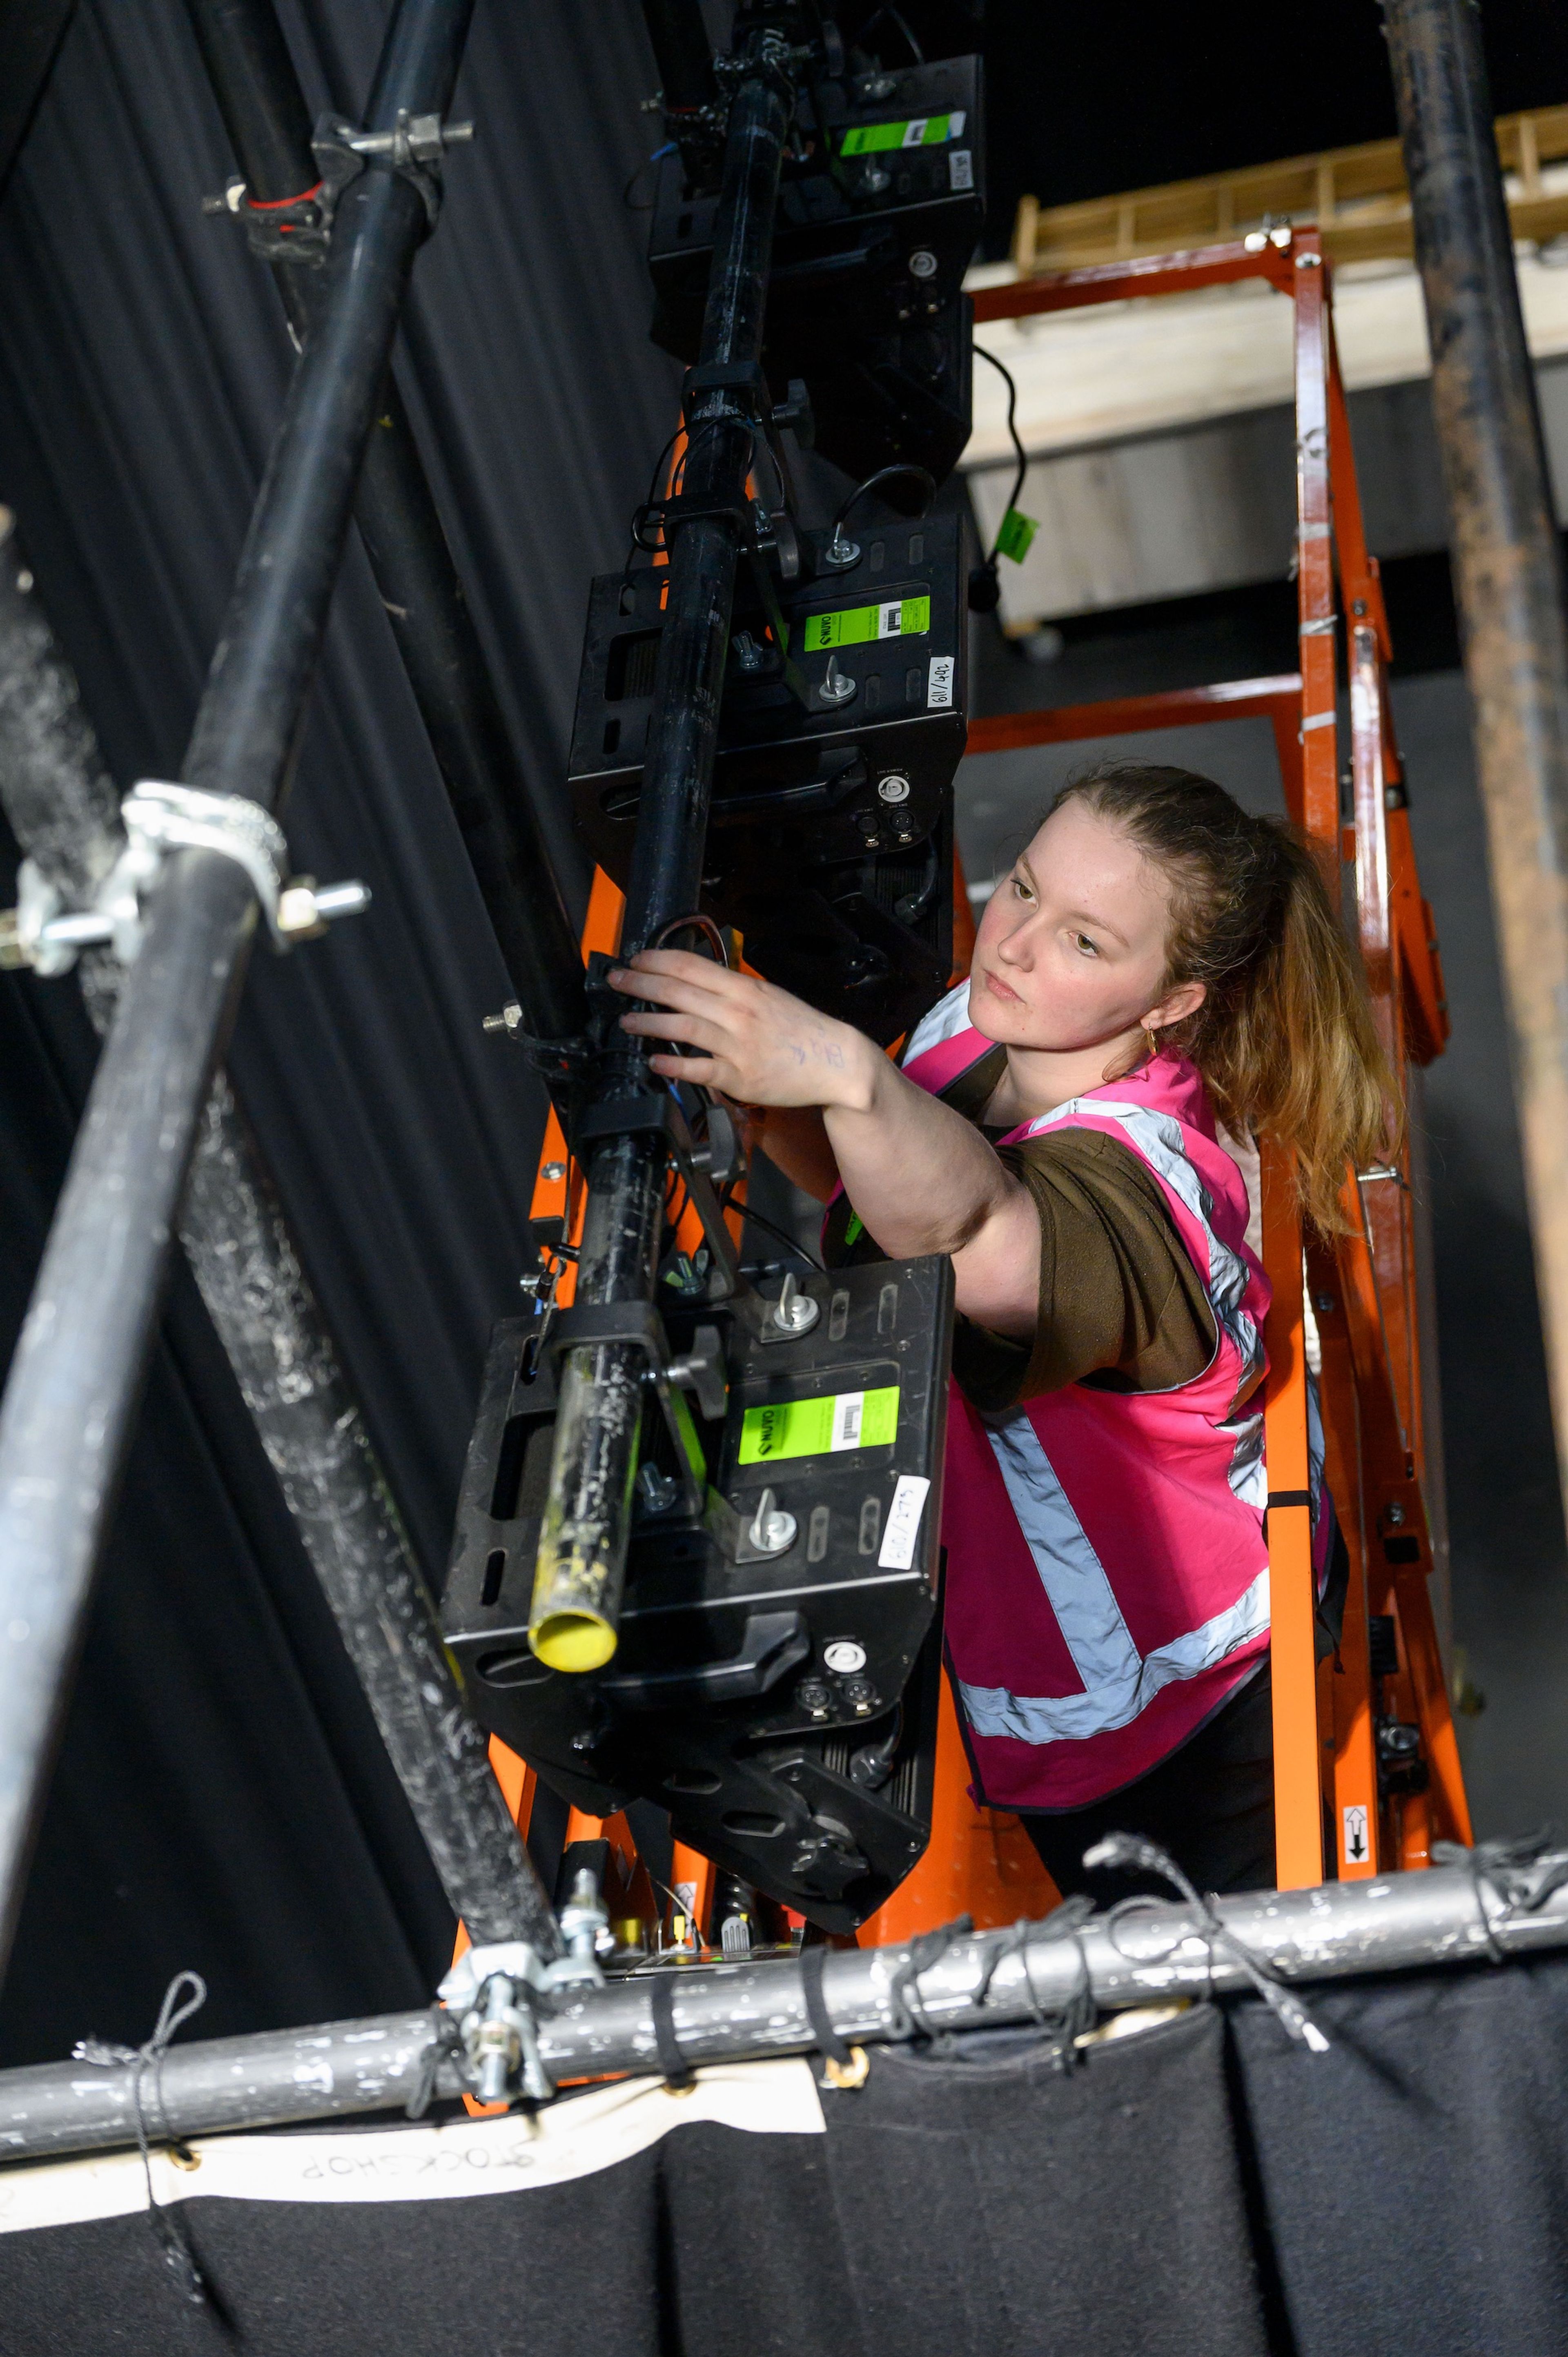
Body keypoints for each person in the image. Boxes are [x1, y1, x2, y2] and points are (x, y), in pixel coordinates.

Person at [607, 762, 1394, 1904]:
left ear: (1172, 1001)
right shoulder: (978, 1034)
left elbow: (980, 1223)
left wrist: (840, 1072)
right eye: (1024, 887)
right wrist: (770, 1094)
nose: (1014, 945)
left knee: (1222, 1987)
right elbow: (880, 1189)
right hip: (1076, 1677)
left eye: (1085, 942)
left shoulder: (1149, 1200)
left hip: (1190, 1709)